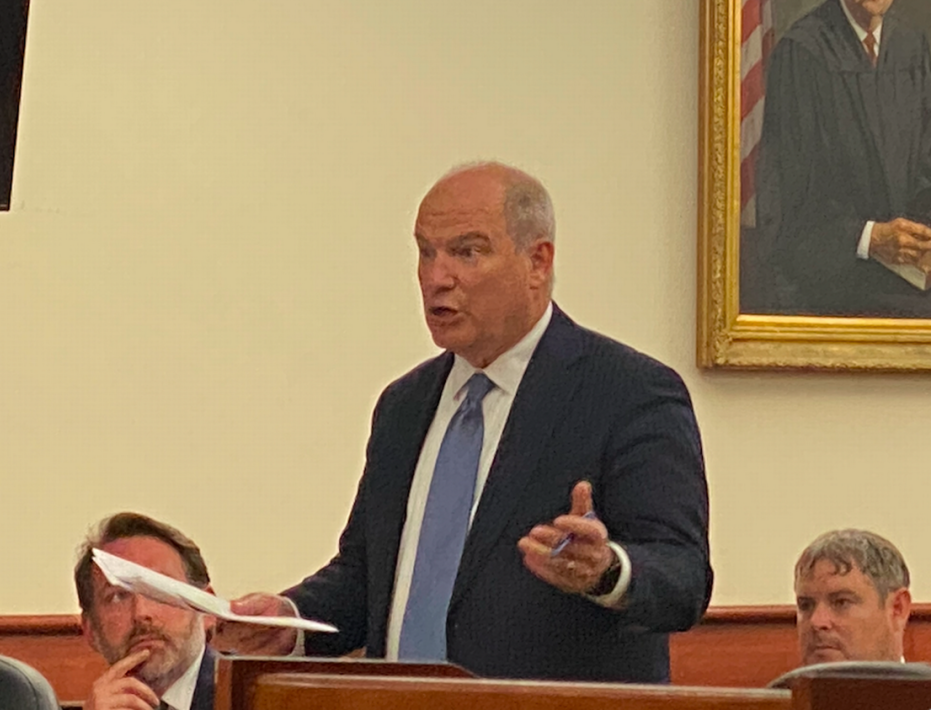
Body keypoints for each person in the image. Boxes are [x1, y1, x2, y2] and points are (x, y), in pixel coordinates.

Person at [215, 162, 713, 683]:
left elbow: (682, 578)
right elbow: (370, 578)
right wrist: (290, 622)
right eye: (426, 252)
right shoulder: (405, 406)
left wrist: (606, 570)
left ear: (537, 262)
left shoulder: (628, 392)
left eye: (466, 252)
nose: (436, 277)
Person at [748, 0, 931, 317]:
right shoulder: (802, 54)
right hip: (835, 285)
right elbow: (788, 201)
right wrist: (870, 239)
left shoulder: (912, 48)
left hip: (912, 279)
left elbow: (925, 167)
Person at [74, 513, 216, 710]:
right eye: (117, 596)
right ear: (90, 630)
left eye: (159, 590)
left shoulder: (254, 693)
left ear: (206, 609)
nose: (141, 613)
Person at [794, 529, 911, 666]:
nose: (817, 621)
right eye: (805, 605)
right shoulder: (780, 686)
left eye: (841, 602)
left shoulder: (922, 688)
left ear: (897, 608)